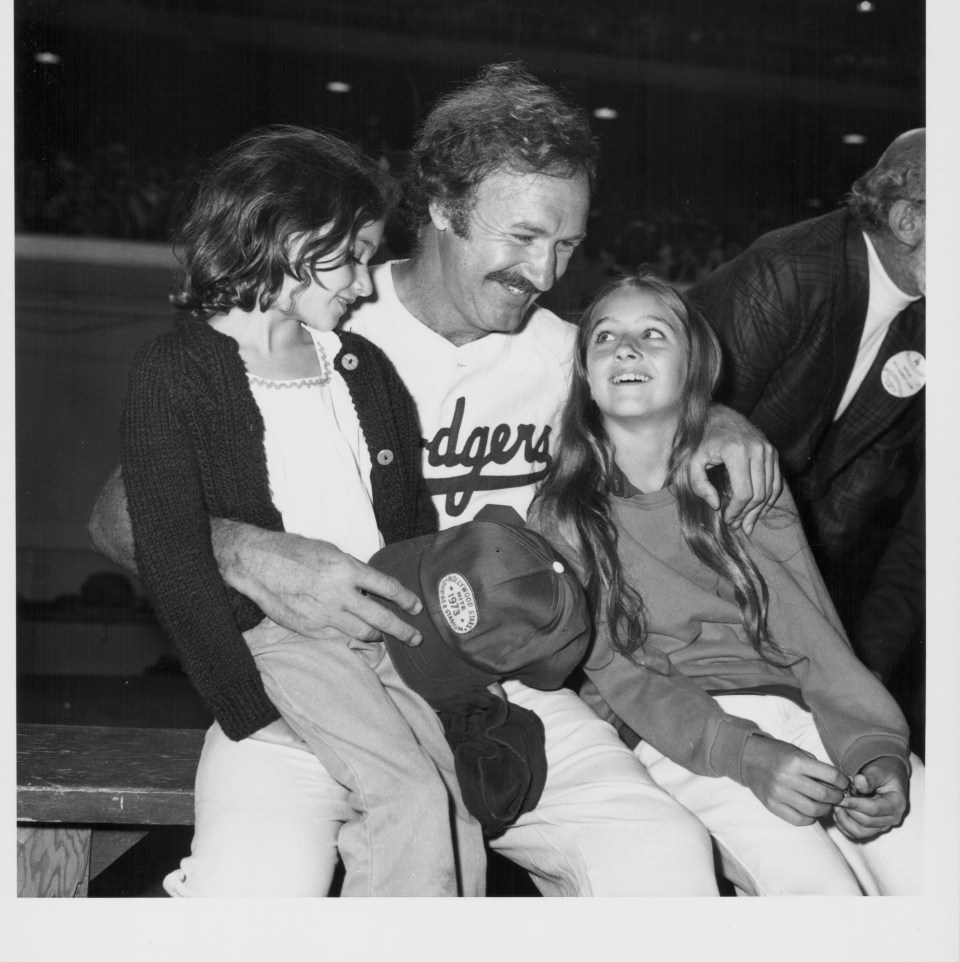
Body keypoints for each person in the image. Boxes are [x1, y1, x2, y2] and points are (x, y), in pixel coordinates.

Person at [90, 63, 778, 897]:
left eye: (567, 242)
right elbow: (119, 513)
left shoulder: (572, 354)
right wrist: (246, 550)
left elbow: (680, 407)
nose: (548, 270)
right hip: (304, 672)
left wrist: (726, 424)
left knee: (662, 855)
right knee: (257, 886)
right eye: (522, 237)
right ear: (444, 210)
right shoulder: (323, 313)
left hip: (492, 689)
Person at [119, 124, 486, 897]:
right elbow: (174, 558)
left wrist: (437, 657)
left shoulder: (362, 365)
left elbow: (410, 522)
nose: (365, 279)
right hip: (286, 641)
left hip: (384, 635)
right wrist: (247, 710)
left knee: (457, 810)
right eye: (351, 255)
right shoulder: (175, 372)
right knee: (408, 801)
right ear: (284, 237)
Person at [531, 271, 923, 894]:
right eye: (604, 337)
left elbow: (815, 635)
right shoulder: (565, 516)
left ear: (694, 368)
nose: (625, 348)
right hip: (688, 736)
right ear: (583, 372)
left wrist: (875, 749)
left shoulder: (742, 476)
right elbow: (629, 678)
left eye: (652, 335)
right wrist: (748, 754)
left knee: (930, 867)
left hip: (802, 706)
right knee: (823, 895)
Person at [687, 130, 925, 682]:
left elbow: (859, 478)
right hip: (691, 533)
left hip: (777, 552)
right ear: (908, 223)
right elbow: (683, 429)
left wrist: (800, 604)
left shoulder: (931, 317)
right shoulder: (790, 269)